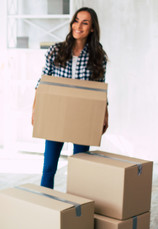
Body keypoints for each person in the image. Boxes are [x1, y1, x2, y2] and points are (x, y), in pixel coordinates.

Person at [31, 7, 108, 189]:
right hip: (56, 114)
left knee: (80, 169)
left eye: (85, 22)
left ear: (92, 28)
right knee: (49, 167)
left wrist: (105, 115)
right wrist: (35, 110)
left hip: (84, 117)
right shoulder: (56, 50)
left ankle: (76, 213)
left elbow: (100, 89)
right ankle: (44, 207)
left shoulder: (97, 56)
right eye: (76, 20)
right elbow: (42, 83)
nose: (78, 26)